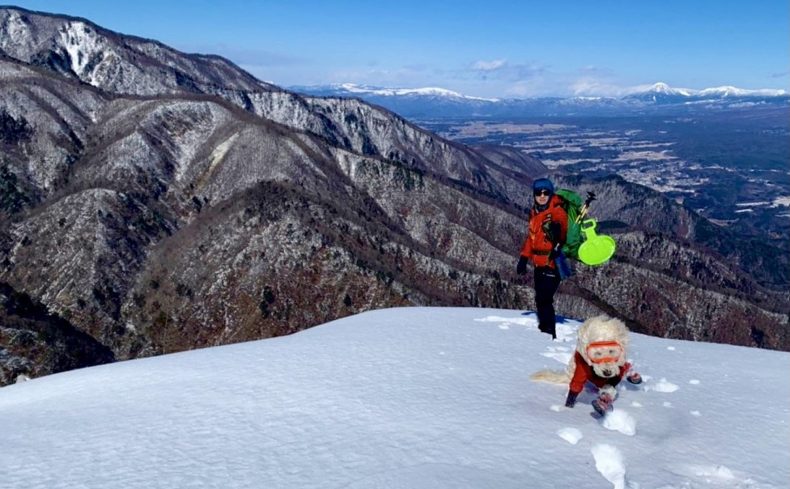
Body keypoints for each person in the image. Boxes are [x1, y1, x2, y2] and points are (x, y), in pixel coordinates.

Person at [516, 177, 568, 339]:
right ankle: (544, 329)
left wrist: (558, 231)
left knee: (545, 299)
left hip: (552, 262)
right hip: (538, 264)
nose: (542, 196)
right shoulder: (534, 212)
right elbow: (531, 239)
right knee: (540, 298)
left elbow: (563, 229)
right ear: (534, 195)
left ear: (551, 194)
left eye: (546, 192)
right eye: (539, 193)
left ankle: (548, 333)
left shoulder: (556, 211)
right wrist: (524, 258)